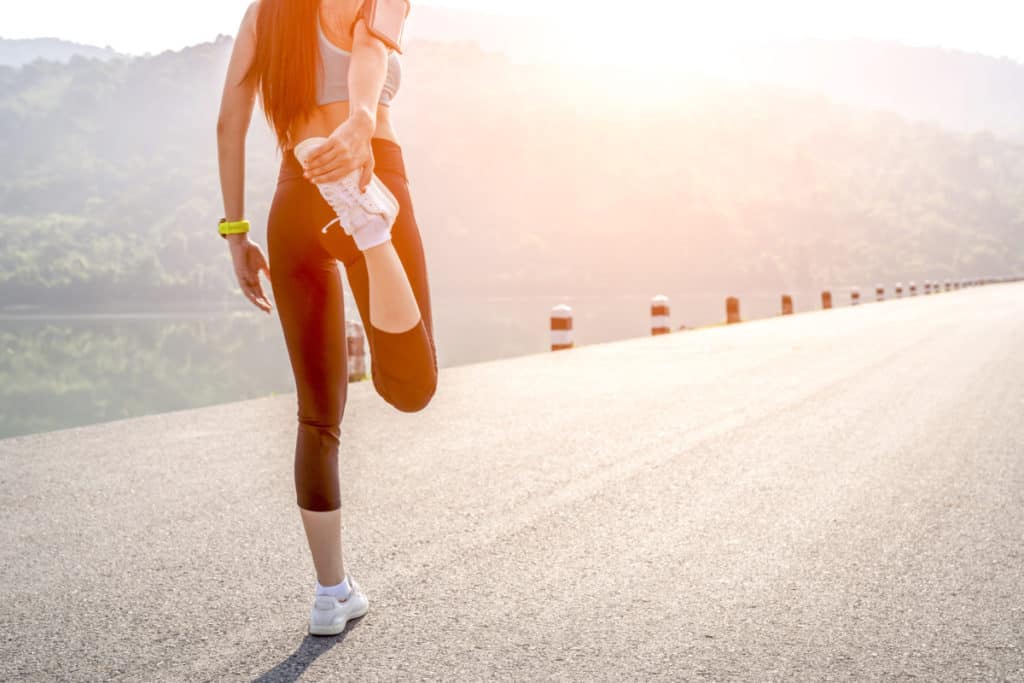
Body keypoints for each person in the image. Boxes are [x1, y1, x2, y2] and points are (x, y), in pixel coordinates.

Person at [215, 0, 438, 636]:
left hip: (293, 192)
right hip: (368, 170)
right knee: (410, 386)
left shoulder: (265, 12)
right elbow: (370, 50)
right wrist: (362, 126)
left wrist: (236, 233)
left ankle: (330, 593)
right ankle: (370, 234)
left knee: (317, 414)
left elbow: (230, 121)